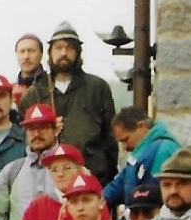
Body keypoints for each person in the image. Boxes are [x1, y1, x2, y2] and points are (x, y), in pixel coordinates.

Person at [18, 22, 118, 185]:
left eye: (70, 48)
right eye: (58, 48)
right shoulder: (35, 93)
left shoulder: (97, 88)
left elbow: (111, 139)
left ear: (78, 52)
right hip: (46, 182)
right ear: (50, 53)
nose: (63, 53)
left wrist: (107, 179)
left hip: (92, 179)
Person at [13, 143, 115, 220]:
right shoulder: (37, 206)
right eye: (54, 170)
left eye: (67, 167)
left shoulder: (94, 204)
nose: (60, 174)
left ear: (80, 170)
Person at [103, 107, 181, 220]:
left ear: (141, 126)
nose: (124, 147)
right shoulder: (141, 152)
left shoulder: (162, 151)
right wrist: (98, 201)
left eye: (125, 140)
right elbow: (121, 182)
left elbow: (149, 197)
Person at [0, 103, 61, 220]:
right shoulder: (11, 171)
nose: (36, 134)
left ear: (56, 130)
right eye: (31, 129)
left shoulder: (72, 170)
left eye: (43, 128)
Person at [12, 34, 47, 105]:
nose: (26, 56)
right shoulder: (9, 92)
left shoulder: (52, 87)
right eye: (22, 51)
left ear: (41, 54)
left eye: (31, 51)